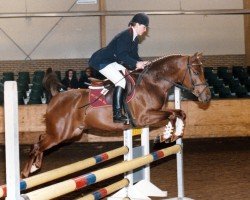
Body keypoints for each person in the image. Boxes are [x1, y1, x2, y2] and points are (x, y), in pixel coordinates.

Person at [88, 13, 149, 123]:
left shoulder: (134, 39)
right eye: (144, 27)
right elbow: (122, 55)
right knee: (120, 82)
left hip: (111, 61)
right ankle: (117, 114)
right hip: (101, 61)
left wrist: (142, 63)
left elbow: (134, 56)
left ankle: (124, 106)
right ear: (137, 24)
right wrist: (136, 64)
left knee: (127, 76)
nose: (145, 30)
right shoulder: (126, 35)